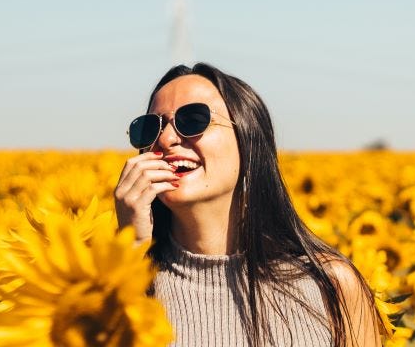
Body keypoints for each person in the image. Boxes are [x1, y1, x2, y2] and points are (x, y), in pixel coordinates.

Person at [114, 63, 384, 347]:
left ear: (248, 141)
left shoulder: (331, 285)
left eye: (193, 119)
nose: (166, 140)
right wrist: (131, 255)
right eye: (150, 128)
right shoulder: (112, 289)